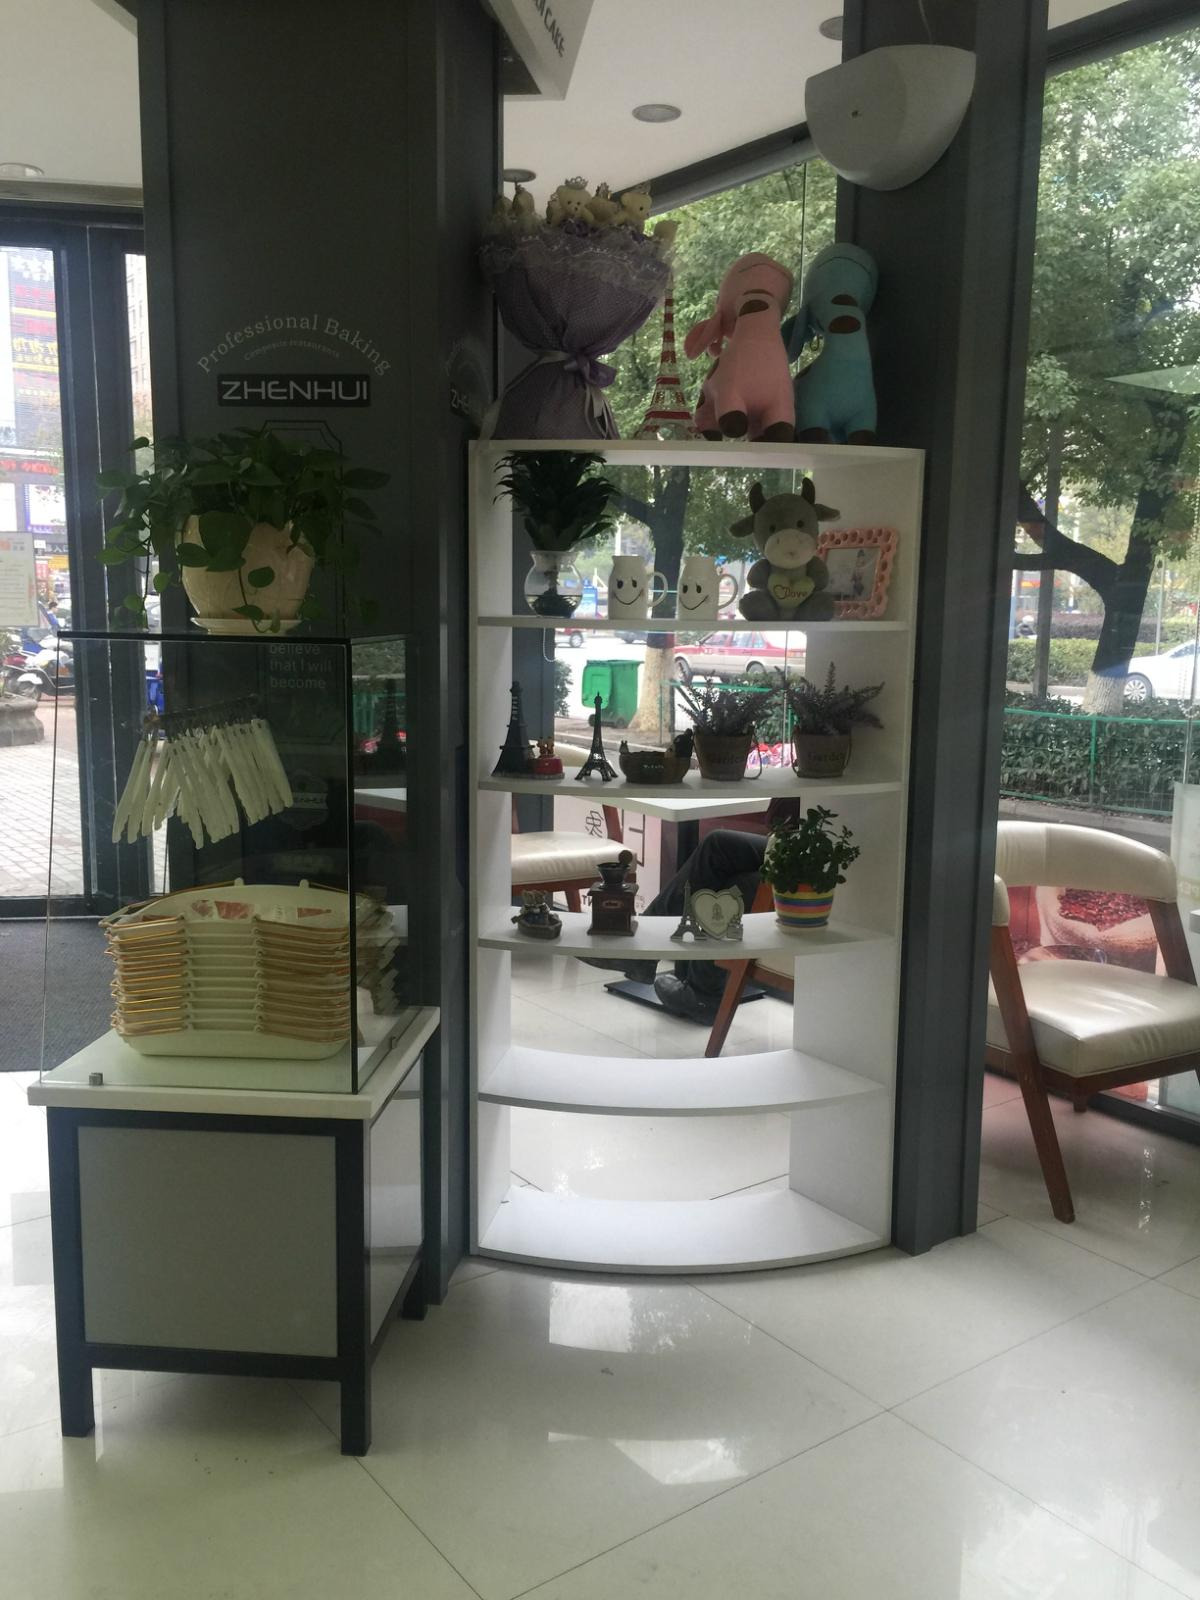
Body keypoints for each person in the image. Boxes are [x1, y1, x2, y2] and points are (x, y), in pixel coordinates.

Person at [586, 799, 802, 1024]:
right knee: (727, 861)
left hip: (807, 852)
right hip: (796, 845)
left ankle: (647, 955)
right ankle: (700, 992)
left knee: (728, 864)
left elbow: (780, 818)